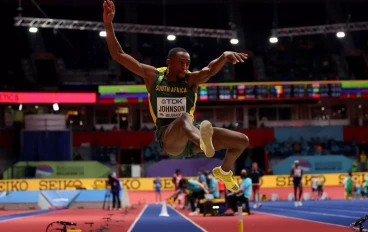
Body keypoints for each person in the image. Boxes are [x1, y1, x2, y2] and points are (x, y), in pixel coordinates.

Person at [103, 0, 249, 193]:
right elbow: (118, 55)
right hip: (170, 138)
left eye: (188, 63)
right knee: (182, 118)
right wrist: (108, 25)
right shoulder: (153, 76)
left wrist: (223, 56)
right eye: (181, 62)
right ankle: (203, 142)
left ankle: (223, 171)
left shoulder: (190, 80)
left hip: (193, 133)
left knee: (242, 141)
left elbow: (209, 70)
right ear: (168, 63)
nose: (185, 66)